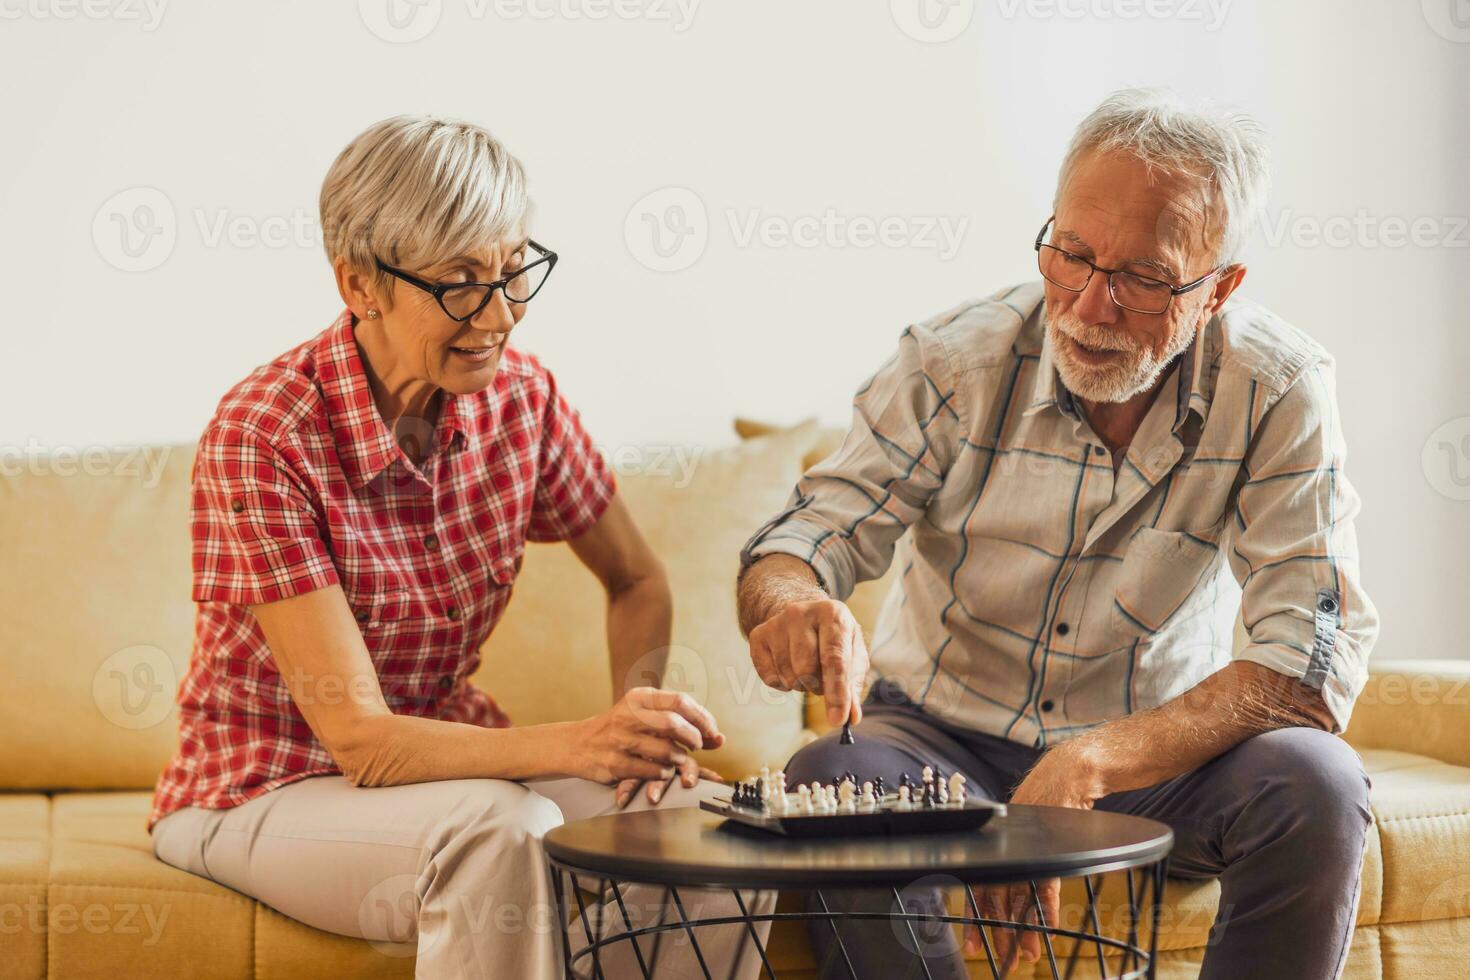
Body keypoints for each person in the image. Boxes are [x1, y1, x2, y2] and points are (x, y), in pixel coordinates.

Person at [738, 88, 1377, 980]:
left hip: (1151, 754)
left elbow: (1310, 656)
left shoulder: (1278, 387)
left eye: (1145, 279)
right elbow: (807, 536)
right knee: (829, 782)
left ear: (1220, 287)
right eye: (1070, 255)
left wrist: (1097, 759)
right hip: (937, 739)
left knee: (1317, 783)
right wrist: (791, 597)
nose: (1091, 305)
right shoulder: (954, 361)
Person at [150, 114, 767, 979]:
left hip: (451, 769)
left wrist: (635, 732)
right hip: (267, 786)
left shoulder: (523, 397)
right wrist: (580, 741)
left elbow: (636, 580)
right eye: (461, 282)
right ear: (360, 285)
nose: (500, 314)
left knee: (714, 829)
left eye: (514, 270)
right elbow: (362, 742)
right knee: (497, 830)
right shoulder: (266, 434)